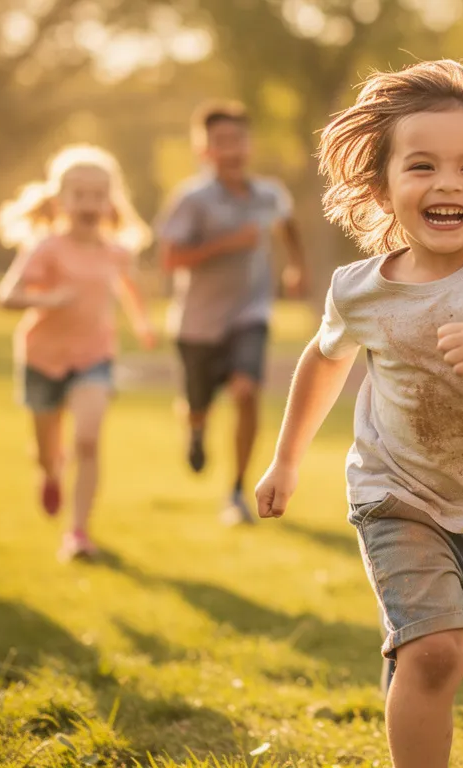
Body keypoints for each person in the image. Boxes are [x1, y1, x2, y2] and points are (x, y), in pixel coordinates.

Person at [253, 60, 463, 767]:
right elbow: (325, 361)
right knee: (437, 654)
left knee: (462, 660)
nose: (447, 184)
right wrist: (285, 460)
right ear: (383, 187)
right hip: (395, 495)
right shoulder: (358, 289)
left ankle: (410, 658)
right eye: (422, 166)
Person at [0, 144, 157, 561]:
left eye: (98, 195)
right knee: (48, 450)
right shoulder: (46, 248)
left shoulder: (115, 252)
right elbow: (6, 296)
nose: (89, 203)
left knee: (87, 440)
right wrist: (49, 301)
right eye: (79, 194)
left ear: (110, 202)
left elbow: (129, 287)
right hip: (41, 359)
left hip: (94, 358)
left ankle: (78, 533)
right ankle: (49, 472)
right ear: (60, 200)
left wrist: (141, 322)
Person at [156, 100, 311, 526]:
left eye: (237, 139)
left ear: (249, 144)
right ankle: (196, 427)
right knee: (198, 405)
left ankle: (237, 491)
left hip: (250, 313)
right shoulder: (192, 199)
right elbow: (169, 259)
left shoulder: (269, 193)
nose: (230, 148)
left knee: (247, 392)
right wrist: (226, 244)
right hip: (197, 323)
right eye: (219, 141)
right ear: (204, 150)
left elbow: (288, 225)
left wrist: (296, 264)